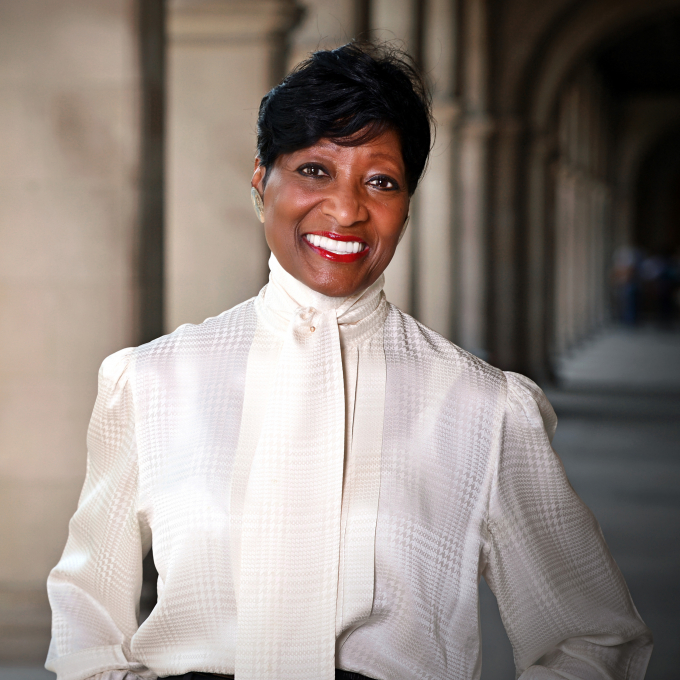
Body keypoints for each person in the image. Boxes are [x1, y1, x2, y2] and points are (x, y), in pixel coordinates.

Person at [45, 42, 652, 680]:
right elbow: (87, 615)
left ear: (408, 202)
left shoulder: (485, 408)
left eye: (380, 181)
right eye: (313, 170)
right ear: (260, 176)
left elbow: (593, 636)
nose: (346, 209)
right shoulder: (153, 381)